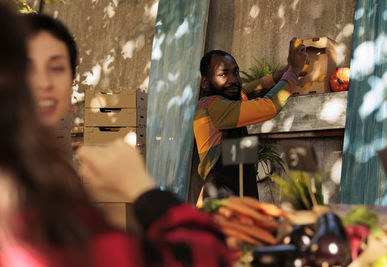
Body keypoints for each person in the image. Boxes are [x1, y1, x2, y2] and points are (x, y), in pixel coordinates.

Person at [0, 2, 231, 266]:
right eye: (25, 67)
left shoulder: (51, 190)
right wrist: (142, 189)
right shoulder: (27, 212)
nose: (43, 83)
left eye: (56, 68)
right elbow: (205, 257)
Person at [194, 41, 307, 201]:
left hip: (241, 193)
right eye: (223, 74)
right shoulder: (214, 107)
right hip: (220, 200)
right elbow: (269, 107)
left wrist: (286, 71)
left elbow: (253, 89)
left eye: (236, 73)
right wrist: (293, 72)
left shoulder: (228, 99)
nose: (233, 80)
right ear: (206, 82)